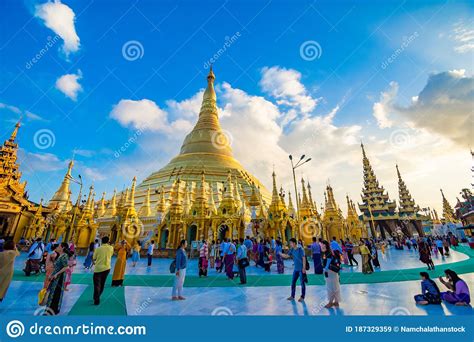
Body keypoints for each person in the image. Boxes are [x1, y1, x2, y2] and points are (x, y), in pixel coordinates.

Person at [45, 243, 73, 315]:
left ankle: (53, 309)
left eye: (58, 246)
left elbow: (66, 267)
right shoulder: (60, 255)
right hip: (55, 276)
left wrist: (56, 274)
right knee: (52, 292)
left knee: (56, 292)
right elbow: (56, 267)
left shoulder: (64, 256)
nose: (57, 247)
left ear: (62, 248)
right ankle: (49, 309)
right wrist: (51, 274)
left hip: (59, 277)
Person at [281, 238, 306, 302]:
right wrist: (280, 254)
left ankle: (302, 297)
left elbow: (304, 258)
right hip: (296, 269)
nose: (290, 244)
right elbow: (287, 256)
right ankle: (292, 296)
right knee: (293, 282)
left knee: (302, 283)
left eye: (291, 243)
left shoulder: (300, 249)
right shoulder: (292, 249)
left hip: (301, 269)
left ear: (294, 243)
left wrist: (304, 268)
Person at [92, 236, 114, 305]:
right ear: (108, 241)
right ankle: (97, 296)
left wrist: (94, 262)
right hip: (107, 268)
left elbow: (94, 258)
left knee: (96, 284)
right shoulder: (111, 248)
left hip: (98, 269)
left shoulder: (98, 249)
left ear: (101, 241)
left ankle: (96, 299)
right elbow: (111, 255)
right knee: (102, 283)